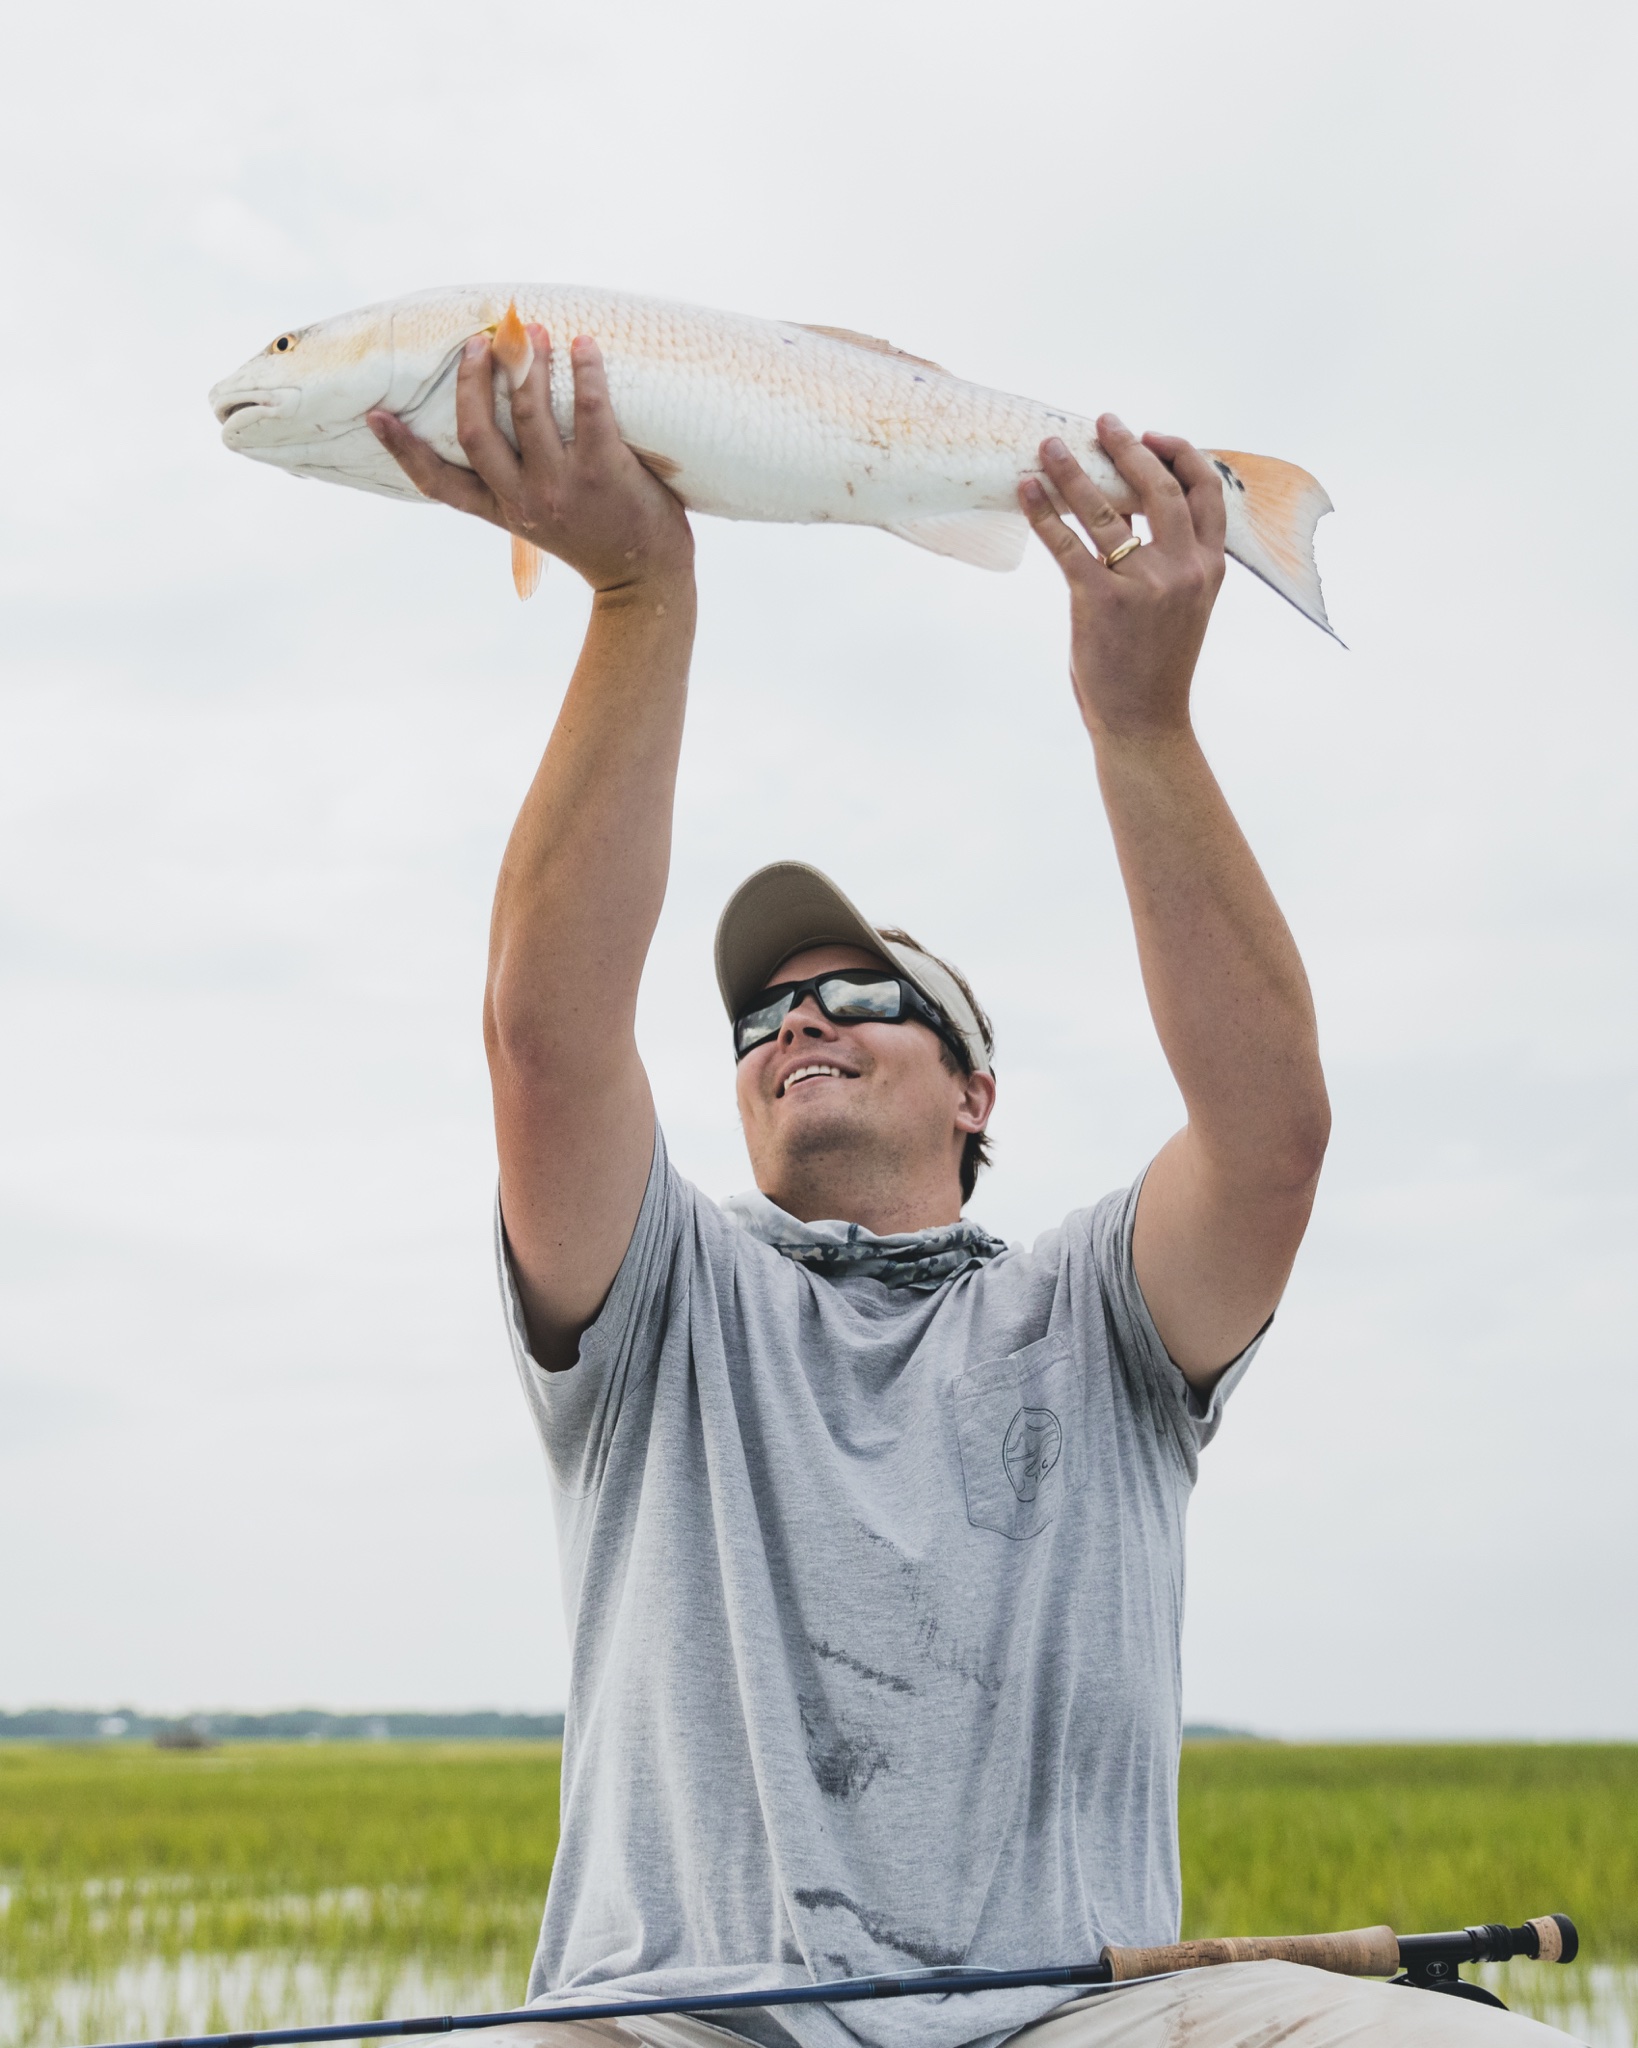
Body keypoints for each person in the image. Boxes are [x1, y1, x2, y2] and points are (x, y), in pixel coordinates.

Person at [366, 332, 1568, 2048]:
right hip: (673, 2021)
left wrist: (1136, 717)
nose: (796, 1023)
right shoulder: (663, 1299)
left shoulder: (1092, 1314)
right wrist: (639, 594)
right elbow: (545, 1045)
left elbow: (1270, 1133)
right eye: (762, 1014)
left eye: (858, 998)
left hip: (1068, 2022)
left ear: (973, 1086)